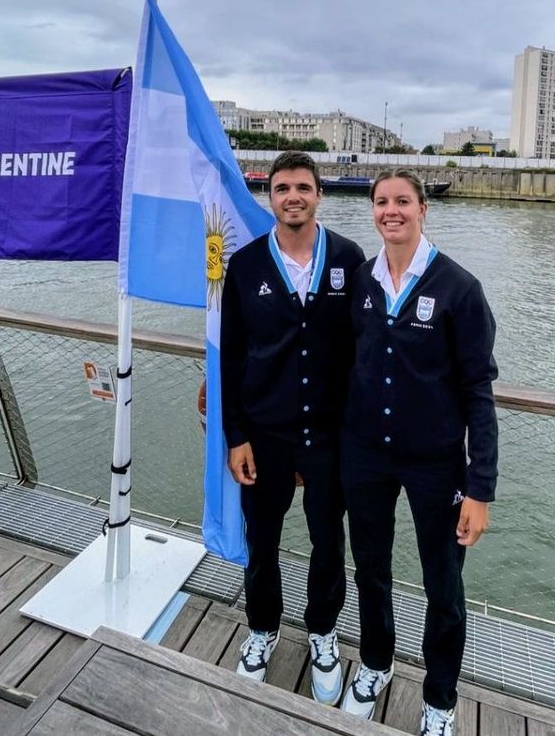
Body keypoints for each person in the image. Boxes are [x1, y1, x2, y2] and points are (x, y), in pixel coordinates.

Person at [339, 169, 498, 736]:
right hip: (366, 456)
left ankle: (440, 698)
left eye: (402, 201)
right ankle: (377, 663)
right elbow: (341, 365)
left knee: (444, 586)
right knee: (371, 568)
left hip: (436, 464)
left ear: (423, 209)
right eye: (381, 202)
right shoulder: (361, 281)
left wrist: (480, 488)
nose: (391, 211)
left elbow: (478, 391)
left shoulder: (459, 288)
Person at [220, 151, 365, 705]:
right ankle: (263, 628)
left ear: (319, 194)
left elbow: (368, 348)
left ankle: (323, 633)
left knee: (329, 542)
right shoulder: (248, 264)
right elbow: (232, 355)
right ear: (270, 196)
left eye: (303, 187)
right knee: (264, 542)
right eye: (282, 189)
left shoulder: (350, 260)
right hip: (266, 433)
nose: (292, 197)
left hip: (330, 435)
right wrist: (236, 435)